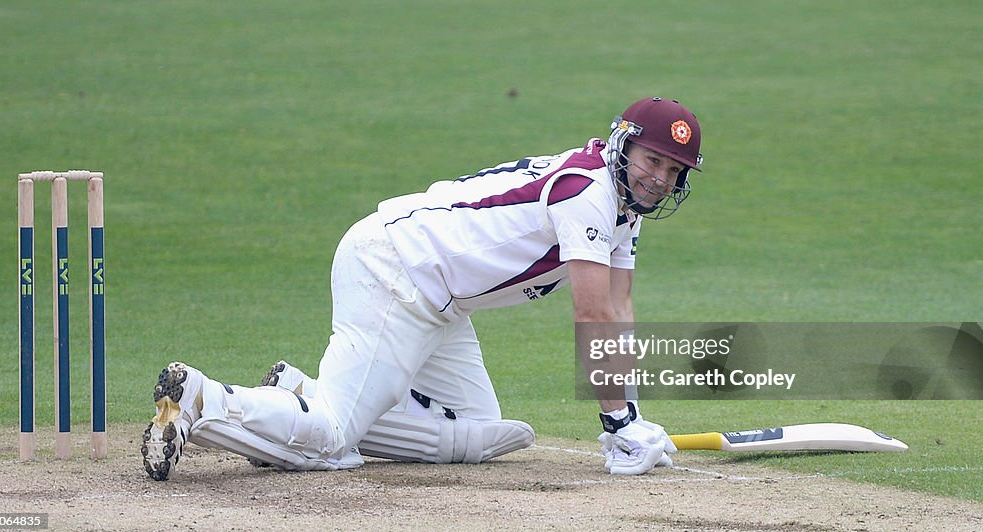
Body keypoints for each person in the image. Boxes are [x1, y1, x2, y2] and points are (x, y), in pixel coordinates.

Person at [142, 97, 703, 481]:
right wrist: (617, 424)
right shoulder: (587, 195)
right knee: (334, 438)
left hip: (444, 301)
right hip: (397, 271)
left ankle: (295, 391)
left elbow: (620, 307)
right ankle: (203, 400)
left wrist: (631, 415)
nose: (660, 177)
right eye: (654, 159)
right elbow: (593, 312)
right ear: (624, 146)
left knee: (481, 432)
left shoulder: (623, 211)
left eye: (675, 170)